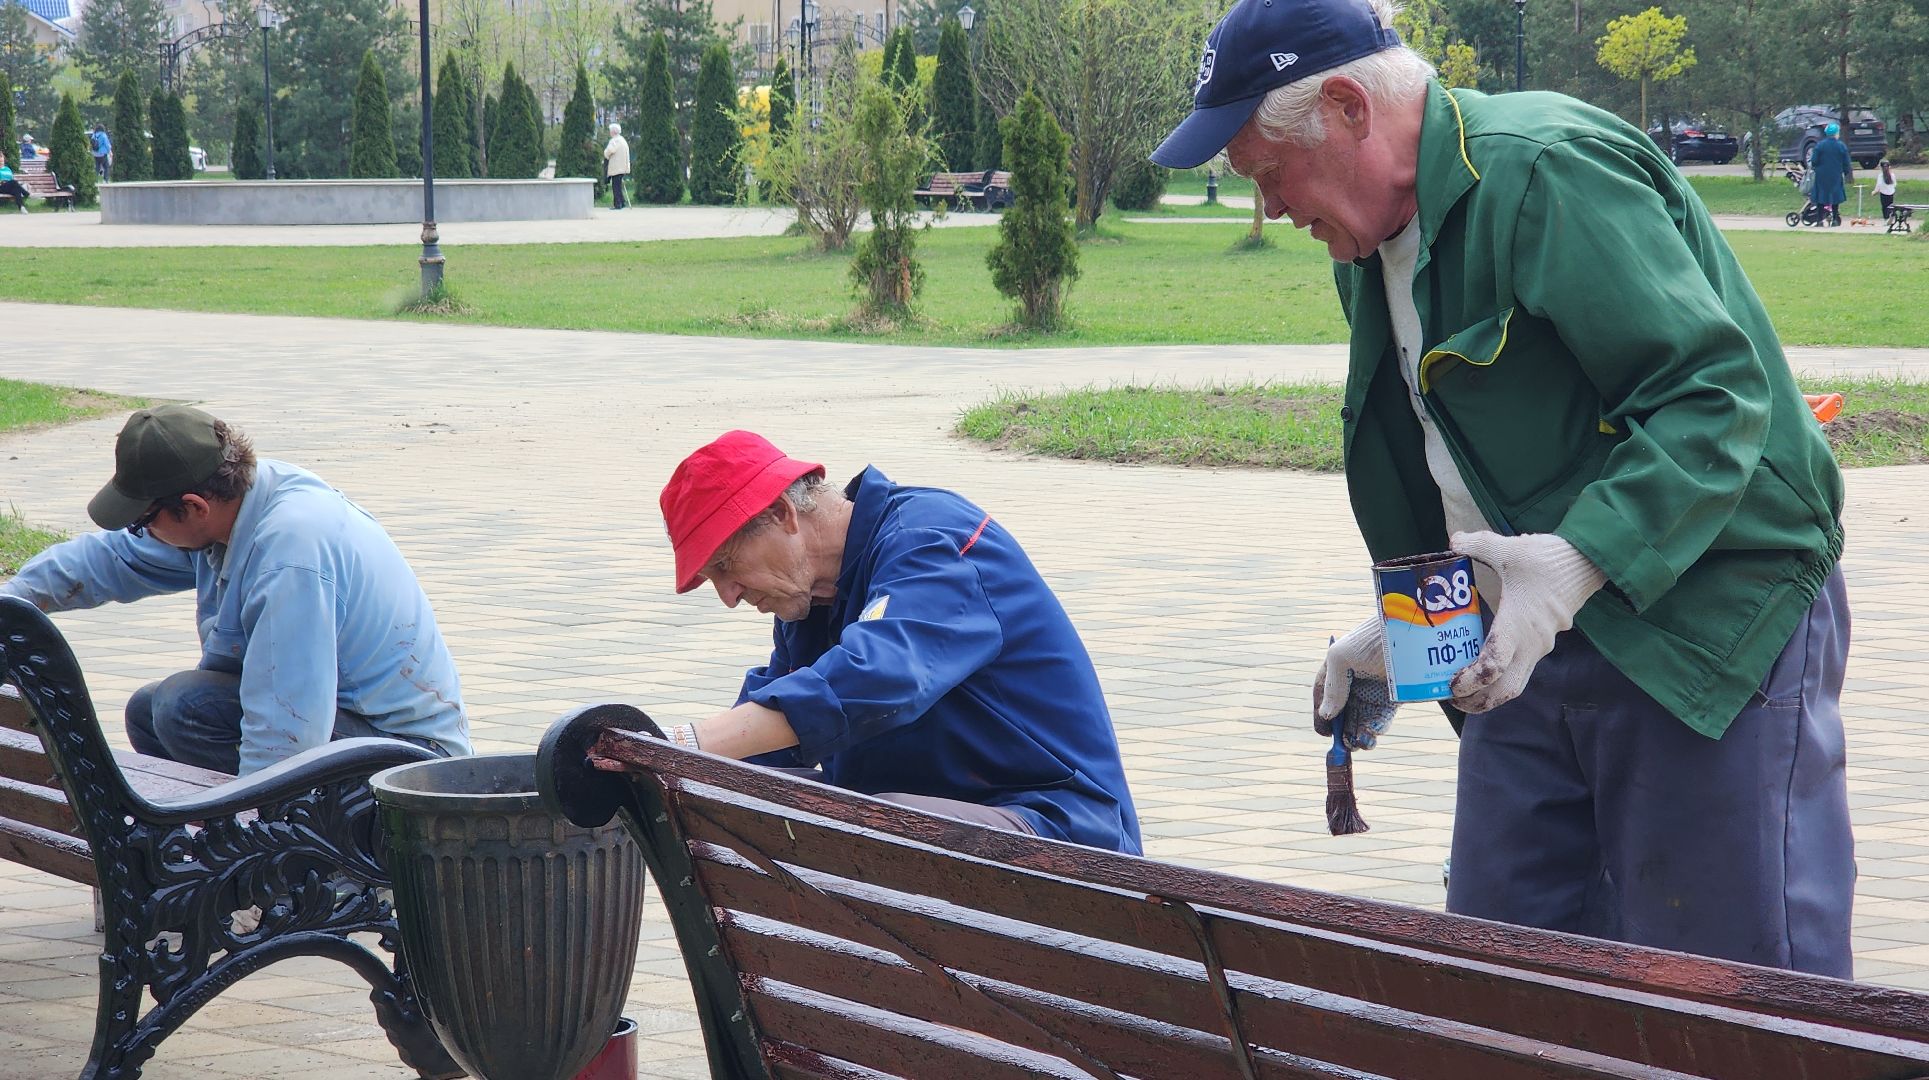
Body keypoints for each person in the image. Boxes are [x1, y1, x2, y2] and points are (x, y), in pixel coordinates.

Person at [1152, 0, 1852, 976]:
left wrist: (1573, 567)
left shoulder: (1544, 171)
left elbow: (1713, 396)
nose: (1271, 210)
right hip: (1530, 635)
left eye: (1271, 175)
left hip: (1709, 619)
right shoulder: (1367, 244)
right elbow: (1466, 465)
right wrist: (1416, 632)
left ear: (1351, 108)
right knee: (1505, 974)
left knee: (1728, 989)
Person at [654, 430, 1142, 853]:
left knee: (878, 826)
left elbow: (879, 675)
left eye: (724, 565)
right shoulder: (809, 603)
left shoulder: (932, 539)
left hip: (1057, 829)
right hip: (935, 841)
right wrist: (665, 772)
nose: (728, 596)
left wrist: (686, 743)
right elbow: (765, 751)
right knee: (742, 802)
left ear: (782, 514)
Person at [0, 406, 473, 775]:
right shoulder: (235, 505)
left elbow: (288, 725)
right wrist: (13, 603)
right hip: (346, 727)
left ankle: (310, 861)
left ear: (193, 506)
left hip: (407, 764)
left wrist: (258, 852)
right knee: (150, 711)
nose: (138, 535)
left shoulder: (291, 554)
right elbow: (111, 558)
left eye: (143, 522)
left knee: (184, 706)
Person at [1810, 122, 1853, 226]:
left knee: (1821, 196)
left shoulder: (1820, 145)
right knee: (1835, 196)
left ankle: (1819, 220)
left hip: (1821, 175)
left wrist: (1817, 168)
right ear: (1836, 133)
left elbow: (1814, 160)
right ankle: (1834, 218)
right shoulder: (1841, 146)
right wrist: (1846, 172)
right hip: (1836, 174)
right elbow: (1846, 162)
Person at [602, 123, 630, 210]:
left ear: (613, 131)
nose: (610, 132)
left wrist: (605, 154)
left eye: (610, 131)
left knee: (615, 186)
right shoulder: (622, 140)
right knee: (618, 185)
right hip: (622, 167)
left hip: (617, 167)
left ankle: (617, 204)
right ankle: (622, 202)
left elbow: (609, 151)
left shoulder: (615, 140)